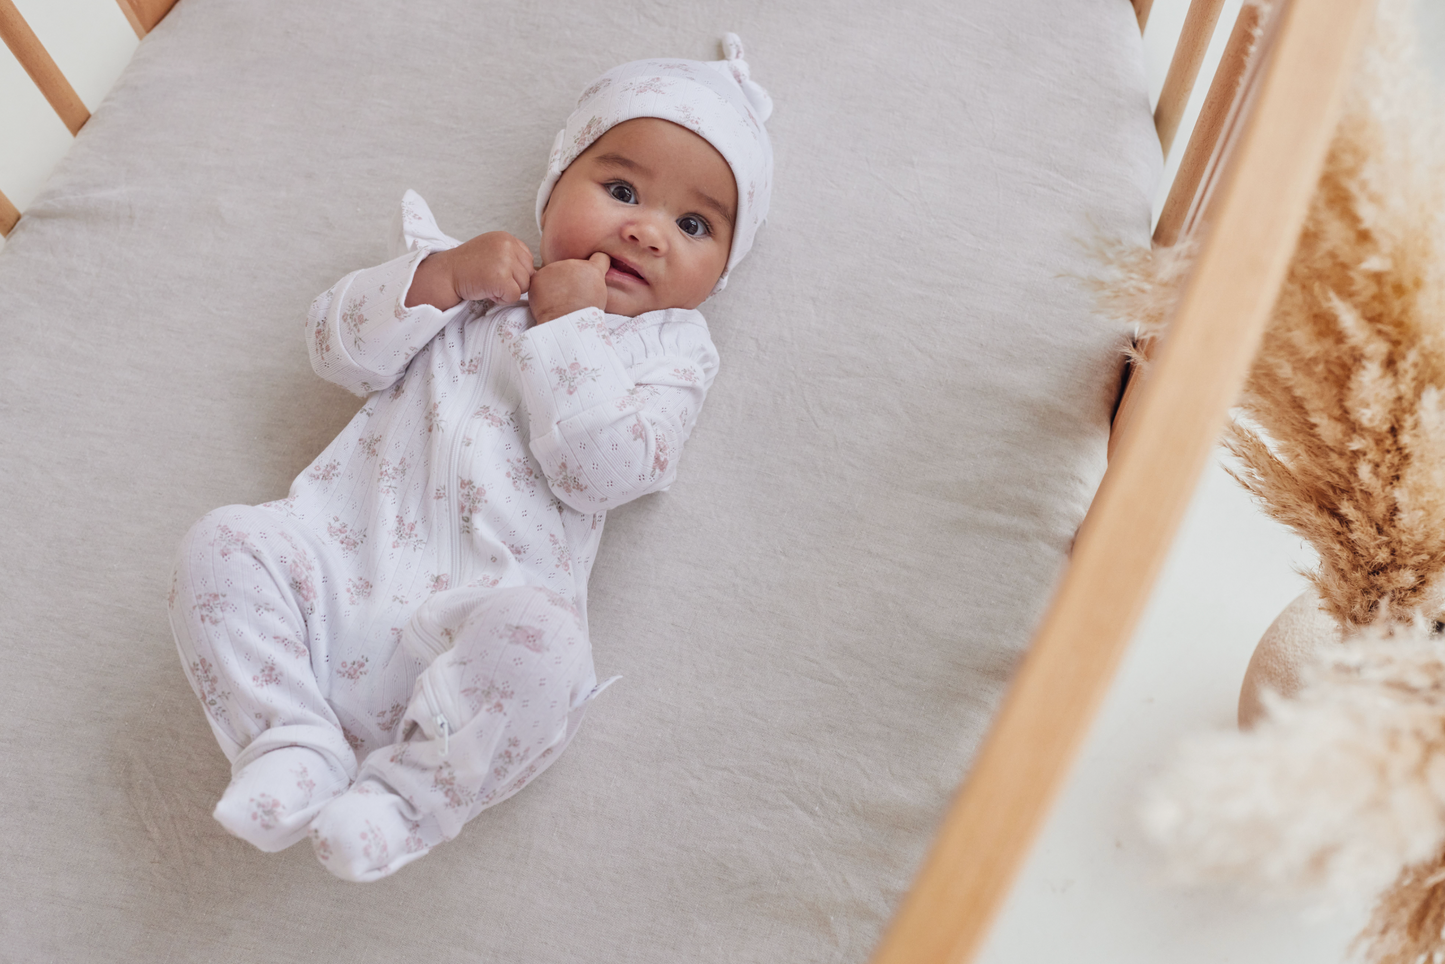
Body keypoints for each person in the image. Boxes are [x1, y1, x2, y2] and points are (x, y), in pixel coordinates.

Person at [166, 34, 773, 882]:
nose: (645, 229)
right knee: (222, 544)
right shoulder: (478, 281)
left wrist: (571, 332)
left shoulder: (669, 355)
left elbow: (606, 474)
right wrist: (439, 277)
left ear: (721, 271)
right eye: (622, 188)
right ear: (556, 185)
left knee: (546, 651)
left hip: (479, 626)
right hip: (336, 578)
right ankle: (287, 738)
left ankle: (403, 804)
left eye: (695, 223)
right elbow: (334, 347)